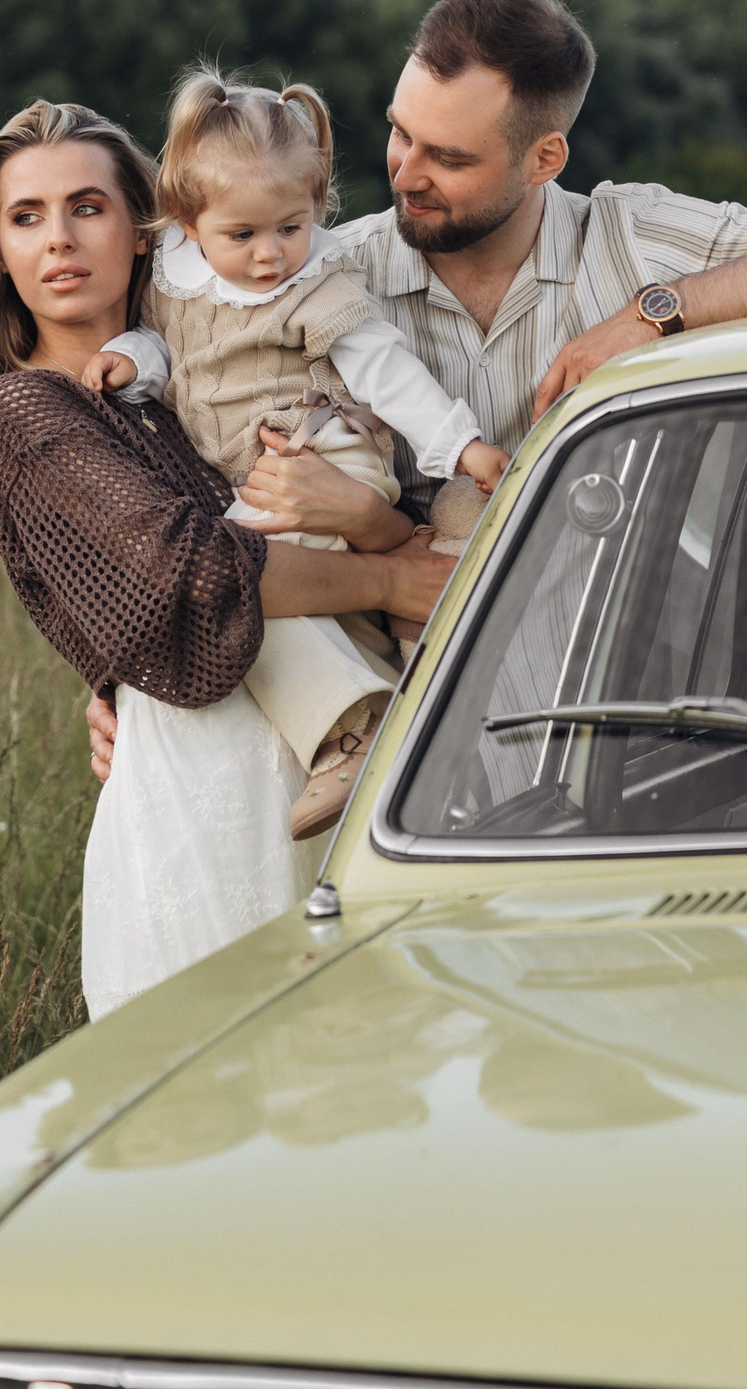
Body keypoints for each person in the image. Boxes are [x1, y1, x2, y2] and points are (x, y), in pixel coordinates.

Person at [87, 0, 747, 782]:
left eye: (448, 157)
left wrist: (652, 315)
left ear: (543, 157)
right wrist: (128, 683)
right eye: (400, 133)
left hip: (637, 747)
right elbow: (202, 488)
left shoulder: (626, 239)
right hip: (418, 768)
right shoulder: (325, 274)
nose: (405, 173)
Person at [0, 97, 453, 1019]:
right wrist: (391, 576)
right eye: (26, 218)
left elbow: (341, 508)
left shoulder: (202, 369)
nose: (59, 240)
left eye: (87, 207)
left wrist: (375, 529)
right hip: (201, 779)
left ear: (147, 230)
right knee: (228, 1056)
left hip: (333, 752)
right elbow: (195, 570)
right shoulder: (31, 409)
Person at [81, 64, 510, 837]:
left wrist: (464, 446)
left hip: (327, 451)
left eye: (290, 226)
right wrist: (130, 361)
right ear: (188, 224)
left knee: (238, 584)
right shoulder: (174, 279)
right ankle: (408, 719)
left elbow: (387, 373)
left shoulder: (319, 284)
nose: (269, 255)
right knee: (288, 598)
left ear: (315, 204)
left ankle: (352, 734)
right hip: (258, 476)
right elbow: (166, 347)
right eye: (242, 236)